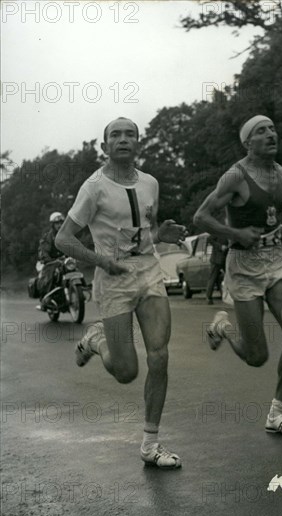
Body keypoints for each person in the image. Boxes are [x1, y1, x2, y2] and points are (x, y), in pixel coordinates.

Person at [56, 117, 187, 469]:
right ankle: (96, 341)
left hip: (148, 273)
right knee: (127, 371)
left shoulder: (151, 183)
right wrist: (101, 260)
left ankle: (150, 443)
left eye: (130, 134)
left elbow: (144, 231)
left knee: (159, 356)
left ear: (138, 143)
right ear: (105, 146)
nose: (123, 139)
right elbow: (63, 239)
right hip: (112, 282)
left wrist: (162, 235)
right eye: (116, 135)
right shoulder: (94, 187)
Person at [194, 114, 282, 436]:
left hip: (278, 261)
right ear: (248, 142)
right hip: (244, 265)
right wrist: (236, 232)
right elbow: (200, 217)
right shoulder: (235, 177)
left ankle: (277, 412)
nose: (271, 134)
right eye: (261, 131)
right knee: (257, 356)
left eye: (273, 128)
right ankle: (224, 327)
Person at [37, 212, 65, 303]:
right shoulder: (48, 237)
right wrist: (48, 259)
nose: (60, 225)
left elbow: (74, 247)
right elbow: (44, 250)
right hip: (52, 261)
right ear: (53, 225)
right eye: (57, 223)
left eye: (61, 223)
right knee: (50, 274)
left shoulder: (67, 235)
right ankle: (46, 297)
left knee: (73, 268)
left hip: (64, 260)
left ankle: (81, 288)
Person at [205, 234, 228, 305]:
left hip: (225, 258)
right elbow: (209, 239)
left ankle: (228, 296)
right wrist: (219, 246)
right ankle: (208, 297)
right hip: (216, 259)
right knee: (213, 278)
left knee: (229, 277)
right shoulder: (218, 229)